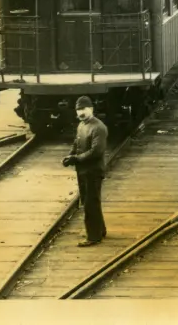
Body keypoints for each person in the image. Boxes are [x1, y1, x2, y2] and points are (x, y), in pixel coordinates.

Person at [62, 96, 109, 246]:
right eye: (78, 110)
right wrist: (71, 155)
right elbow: (77, 142)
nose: (81, 112)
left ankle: (93, 237)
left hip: (93, 171)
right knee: (90, 201)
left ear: (91, 109)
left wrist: (76, 158)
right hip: (83, 171)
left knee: (90, 203)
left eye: (84, 109)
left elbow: (96, 152)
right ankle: (100, 230)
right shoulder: (82, 125)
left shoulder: (98, 127)